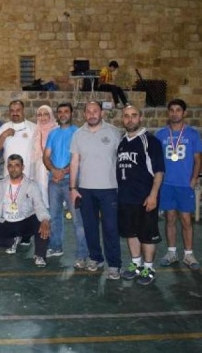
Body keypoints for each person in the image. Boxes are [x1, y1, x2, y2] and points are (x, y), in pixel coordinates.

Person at [69, 101, 122, 280]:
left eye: (95, 111)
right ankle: (95, 258)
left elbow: (121, 160)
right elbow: (74, 162)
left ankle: (114, 265)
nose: (92, 114)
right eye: (89, 111)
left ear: (102, 113)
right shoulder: (78, 134)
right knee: (90, 227)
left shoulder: (114, 132)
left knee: (111, 228)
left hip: (109, 189)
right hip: (85, 190)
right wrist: (73, 188)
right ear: (84, 114)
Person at [117, 106, 165, 285]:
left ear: (140, 118)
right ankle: (136, 264)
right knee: (131, 233)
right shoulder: (122, 141)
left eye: (134, 116)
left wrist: (153, 195)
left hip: (145, 198)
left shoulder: (150, 141)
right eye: (126, 116)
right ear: (122, 119)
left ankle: (148, 267)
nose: (130, 119)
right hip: (125, 198)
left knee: (146, 235)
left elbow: (159, 171)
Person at [156, 99, 202, 270]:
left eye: (178, 110)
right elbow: (156, 160)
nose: (174, 113)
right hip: (167, 184)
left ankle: (189, 254)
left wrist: (193, 179)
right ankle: (171, 252)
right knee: (169, 218)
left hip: (185, 184)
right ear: (168, 112)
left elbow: (198, 159)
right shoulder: (161, 134)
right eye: (172, 110)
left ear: (184, 113)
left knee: (185, 219)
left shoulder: (192, 134)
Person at [0, 154, 51, 267]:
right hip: (7, 222)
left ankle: (40, 255)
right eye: (10, 165)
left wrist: (45, 220)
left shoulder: (31, 185)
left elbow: (39, 205)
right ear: (7, 168)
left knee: (42, 223)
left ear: (22, 167)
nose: (13, 168)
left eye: (17, 165)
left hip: (24, 222)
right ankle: (12, 241)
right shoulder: (1, 185)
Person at [42, 103, 88, 267]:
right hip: (54, 182)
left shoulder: (78, 133)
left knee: (77, 220)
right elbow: (46, 156)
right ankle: (56, 247)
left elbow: (80, 156)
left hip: (72, 183)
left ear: (71, 113)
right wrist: (54, 171)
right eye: (60, 112)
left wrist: (63, 172)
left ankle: (82, 254)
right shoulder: (53, 133)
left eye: (66, 111)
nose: (63, 114)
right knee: (54, 216)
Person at [0, 100, 36, 178]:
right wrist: (4, 135)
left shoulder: (33, 128)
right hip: (9, 173)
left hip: (29, 173)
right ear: (9, 112)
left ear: (23, 111)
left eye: (18, 110)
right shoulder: (4, 127)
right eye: (12, 110)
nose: (15, 113)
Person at [31, 105, 58, 208]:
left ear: (51, 115)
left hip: (55, 164)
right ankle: (44, 209)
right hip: (39, 165)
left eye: (46, 114)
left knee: (54, 189)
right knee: (41, 187)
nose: (42, 117)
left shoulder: (57, 130)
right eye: (39, 115)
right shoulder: (36, 130)